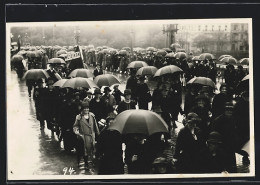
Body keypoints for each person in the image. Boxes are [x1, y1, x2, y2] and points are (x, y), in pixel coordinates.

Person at [210, 102, 239, 173]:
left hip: (231, 146)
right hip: (221, 146)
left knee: (231, 167)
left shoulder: (233, 119)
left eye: (231, 110)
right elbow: (213, 134)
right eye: (227, 110)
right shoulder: (218, 120)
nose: (229, 111)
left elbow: (235, 132)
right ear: (224, 111)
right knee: (222, 166)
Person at [73, 102, 100, 169]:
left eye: (87, 108)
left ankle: (92, 162)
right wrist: (76, 131)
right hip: (84, 137)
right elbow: (75, 126)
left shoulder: (92, 116)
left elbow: (95, 125)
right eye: (84, 108)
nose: (86, 110)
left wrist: (98, 134)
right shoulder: (79, 117)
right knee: (84, 151)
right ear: (82, 109)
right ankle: (86, 163)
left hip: (92, 136)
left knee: (92, 149)